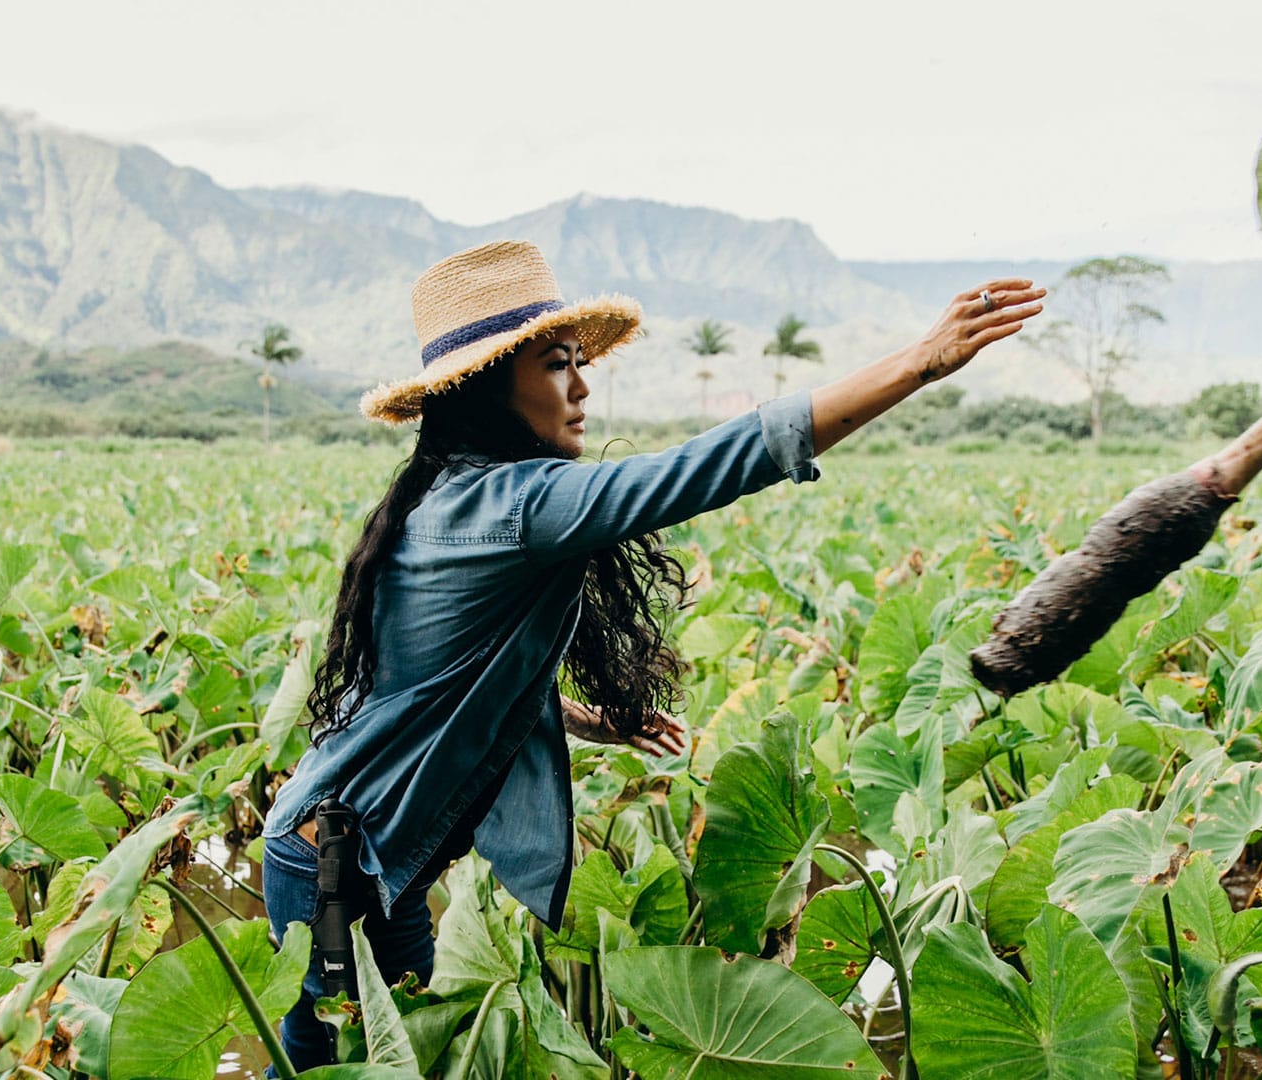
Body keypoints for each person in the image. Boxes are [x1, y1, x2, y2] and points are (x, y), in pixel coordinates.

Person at [260, 239, 1043, 1067]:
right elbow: (702, 468)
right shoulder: (512, 504)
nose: (582, 385)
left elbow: (428, 684)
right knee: (338, 1066)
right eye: (558, 364)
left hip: (365, 863)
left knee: (365, 1064)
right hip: (337, 873)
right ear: (490, 385)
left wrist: (580, 717)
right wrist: (917, 363)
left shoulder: (447, 491)